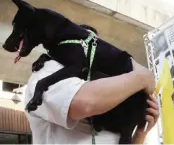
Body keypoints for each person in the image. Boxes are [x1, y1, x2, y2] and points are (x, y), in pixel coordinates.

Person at [24, 26, 159, 144]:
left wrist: (140, 134)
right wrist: (141, 77)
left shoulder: (106, 84)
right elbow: (84, 103)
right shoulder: (48, 70)